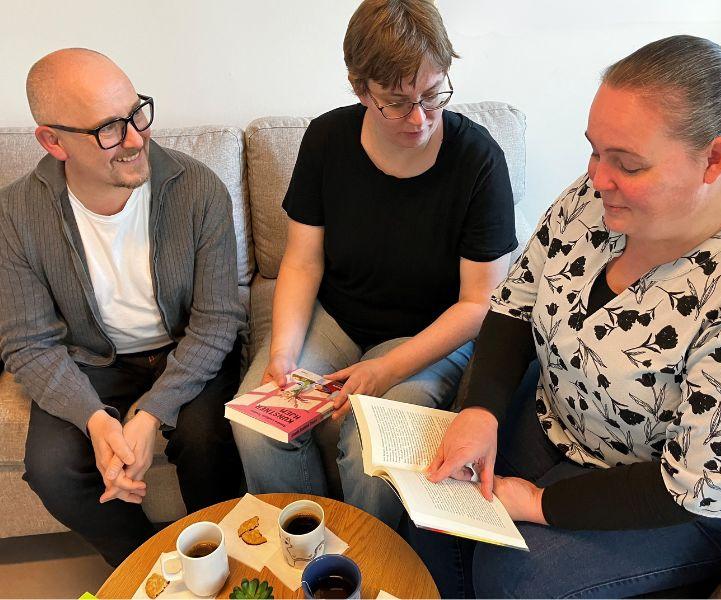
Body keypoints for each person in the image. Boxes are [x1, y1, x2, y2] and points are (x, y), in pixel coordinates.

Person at [421, 35, 721, 598]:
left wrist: (541, 503)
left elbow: (697, 483)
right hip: (569, 415)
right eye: (595, 151)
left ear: (715, 159)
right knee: (433, 509)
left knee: (514, 578)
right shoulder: (595, 198)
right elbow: (517, 301)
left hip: (679, 493)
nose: (598, 178)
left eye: (627, 163)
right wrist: (480, 410)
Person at [232, 0, 517, 528]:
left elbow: (479, 303)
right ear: (361, 89)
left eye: (433, 95)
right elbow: (302, 262)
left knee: (370, 453)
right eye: (397, 102)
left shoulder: (478, 160)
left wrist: (386, 370)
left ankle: (366, 559)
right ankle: (307, 552)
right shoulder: (327, 140)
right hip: (337, 320)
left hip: (427, 335)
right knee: (258, 424)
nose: (420, 118)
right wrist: (283, 354)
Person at [0, 48, 246, 566]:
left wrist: (152, 413)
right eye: (108, 129)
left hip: (186, 349)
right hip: (94, 361)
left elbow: (218, 319)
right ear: (53, 142)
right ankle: (149, 567)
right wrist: (95, 419)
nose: (136, 138)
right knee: (51, 469)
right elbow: (28, 342)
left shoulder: (198, 188)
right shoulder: (16, 214)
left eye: (136, 113)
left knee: (207, 440)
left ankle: (222, 562)